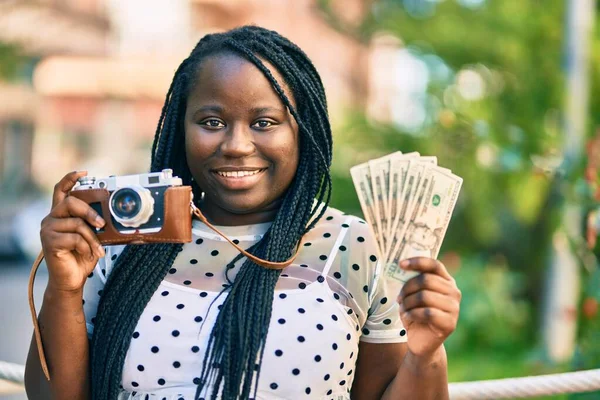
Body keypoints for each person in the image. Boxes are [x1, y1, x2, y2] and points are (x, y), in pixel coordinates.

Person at [24, 26, 461, 400]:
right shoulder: (123, 239)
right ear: (182, 126)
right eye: (212, 122)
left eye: (264, 122)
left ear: (302, 131)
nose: (236, 145)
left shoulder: (353, 245)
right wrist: (63, 289)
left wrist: (425, 353)